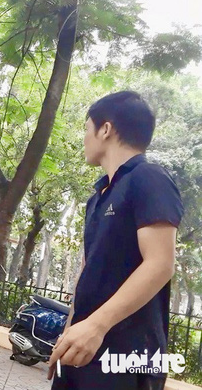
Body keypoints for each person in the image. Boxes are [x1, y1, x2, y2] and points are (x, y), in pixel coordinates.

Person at [48, 91, 184, 389]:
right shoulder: (97, 197)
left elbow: (160, 264)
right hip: (84, 345)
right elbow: (88, 269)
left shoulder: (149, 178)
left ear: (105, 129)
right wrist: (72, 330)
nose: (85, 137)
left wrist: (96, 326)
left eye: (87, 129)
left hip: (128, 353)